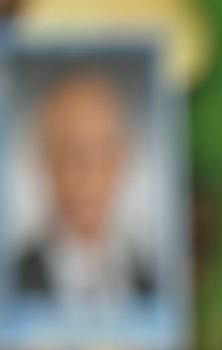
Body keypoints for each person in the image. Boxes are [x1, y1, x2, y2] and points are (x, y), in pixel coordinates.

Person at [10, 56, 161, 308]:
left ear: (123, 158)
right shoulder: (12, 280)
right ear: (44, 161)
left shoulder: (153, 279)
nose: (89, 172)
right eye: (71, 151)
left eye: (103, 149)